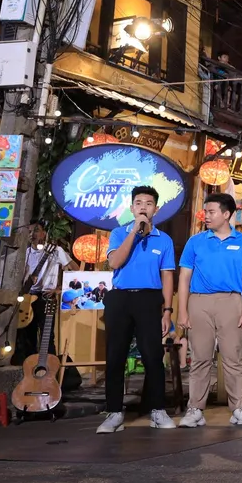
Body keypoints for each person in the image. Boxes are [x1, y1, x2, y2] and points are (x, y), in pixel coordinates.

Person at [97, 186, 177, 434]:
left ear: (157, 209)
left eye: (149, 203)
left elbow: (167, 276)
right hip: (120, 298)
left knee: (153, 357)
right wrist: (134, 231)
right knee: (116, 356)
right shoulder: (119, 233)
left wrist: (167, 310)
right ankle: (114, 412)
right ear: (132, 208)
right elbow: (114, 262)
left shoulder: (164, 240)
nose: (143, 207)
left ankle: (157, 410)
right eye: (139, 202)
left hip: (150, 299)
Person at [176, 192, 242, 428]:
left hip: (231, 302)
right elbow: (184, 277)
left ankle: (239, 408)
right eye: (205, 211)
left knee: (233, 358)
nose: (206, 216)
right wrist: (182, 310)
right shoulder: (196, 241)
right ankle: (195, 409)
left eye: (211, 212)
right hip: (199, 302)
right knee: (200, 358)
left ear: (226, 214)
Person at [17, 224, 74, 364]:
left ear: (44, 233)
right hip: (27, 297)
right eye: (29, 231)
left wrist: (60, 289)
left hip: (46, 296)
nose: (32, 234)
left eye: (36, 231)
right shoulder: (24, 252)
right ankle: (29, 372)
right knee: (27, 337)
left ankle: (49, 373)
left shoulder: (55, 250)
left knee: (47, 338)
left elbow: (74, 270)